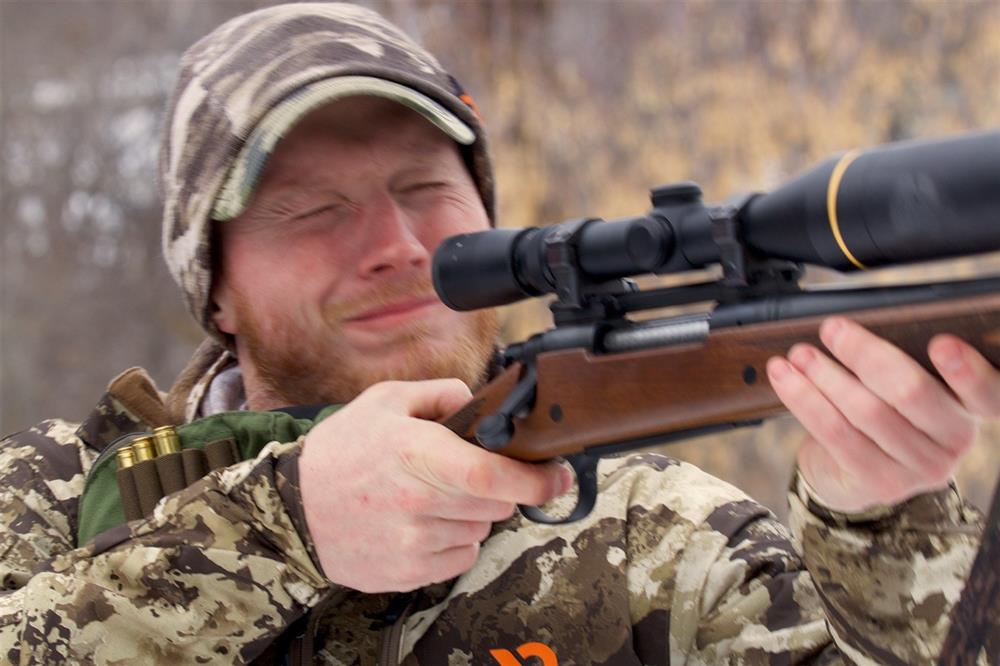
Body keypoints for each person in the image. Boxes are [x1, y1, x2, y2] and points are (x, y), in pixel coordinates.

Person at [0, 3, 994, 664]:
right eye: (313, 210)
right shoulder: (51, 489)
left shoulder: (662, 540)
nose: (392, 245)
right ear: (211, 286)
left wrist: (877, 530)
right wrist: (285, 527)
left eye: (425, 191)